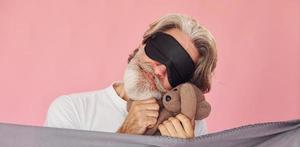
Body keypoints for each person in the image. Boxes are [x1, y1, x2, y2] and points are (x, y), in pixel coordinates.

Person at [44, 13, 217, 139]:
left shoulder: (189, 126)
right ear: (143, 44)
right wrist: (125, 134)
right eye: (161, 51)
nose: (159, 71)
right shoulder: (71, 110)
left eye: (178, 69)